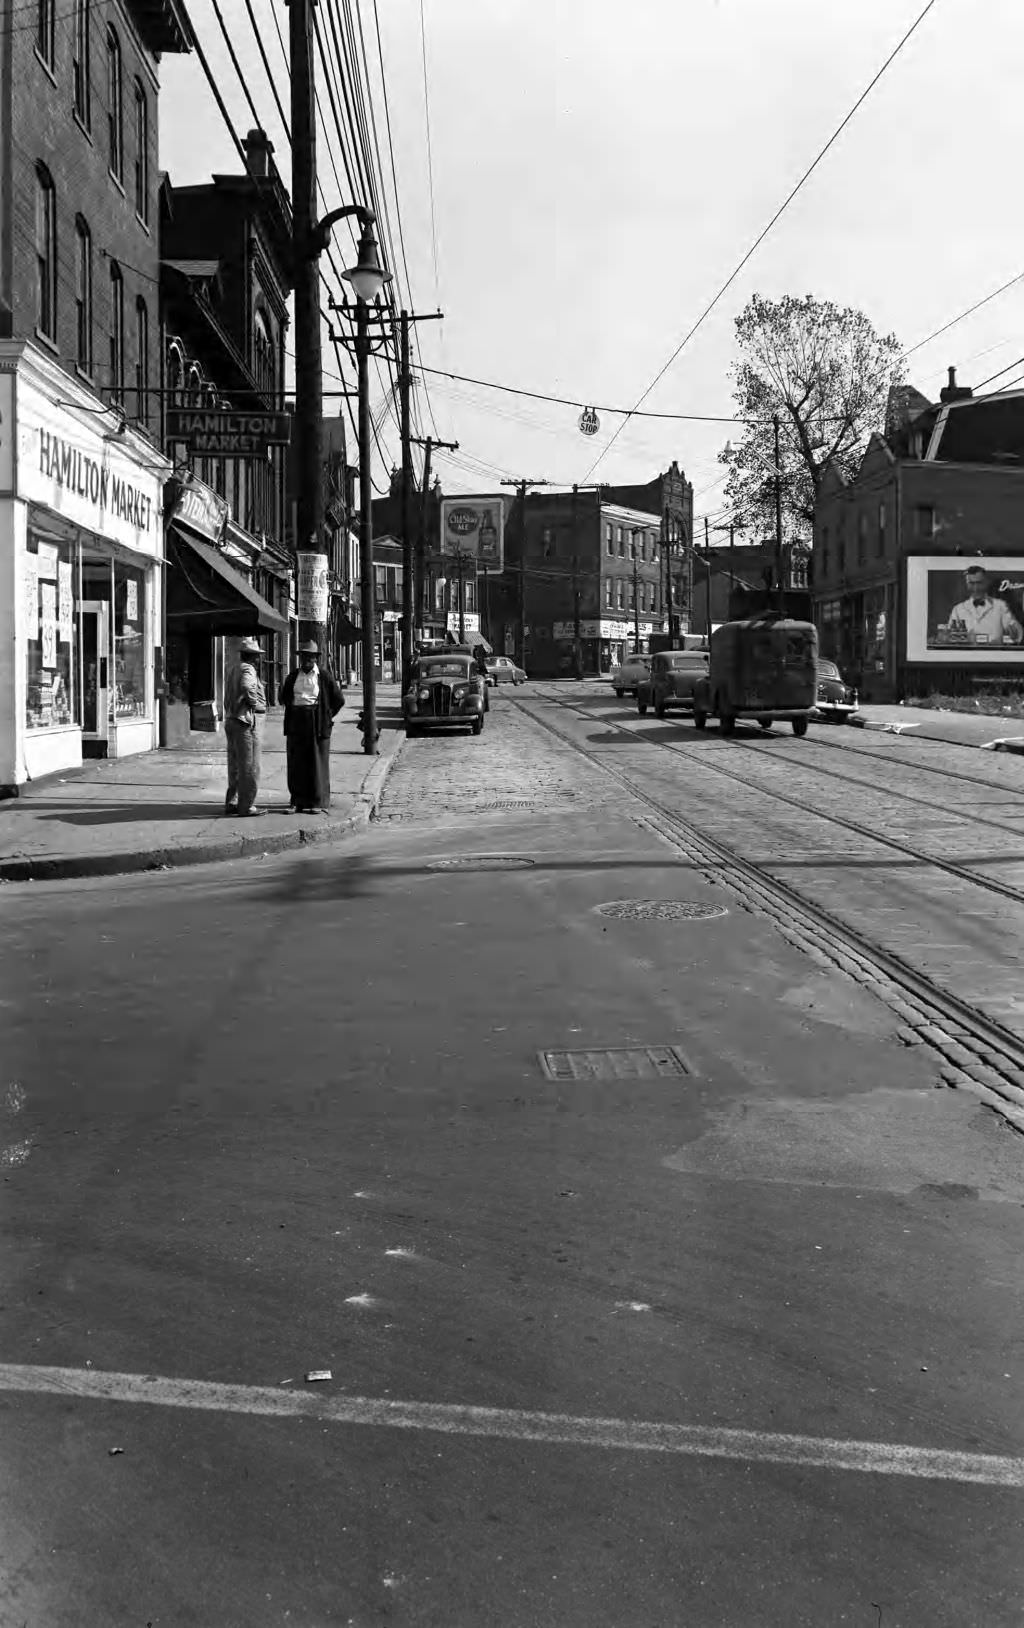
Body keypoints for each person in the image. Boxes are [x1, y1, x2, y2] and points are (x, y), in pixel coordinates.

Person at [278, 640, 345, 813]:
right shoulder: (293, 676)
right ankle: (297, 801)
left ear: (316, 658)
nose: (308, 659)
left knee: (316, 761)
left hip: (318, 722)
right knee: (296, 762)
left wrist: (326, 716)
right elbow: (284, 697)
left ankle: (317, 801)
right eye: (305, 656)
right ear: (300, 658)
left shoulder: (324, 676)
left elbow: (338, 700)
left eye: (311, 657)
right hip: (297, 721)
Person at [223, 637, 268, 816]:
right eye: (256, 656)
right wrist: (253, 701)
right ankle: (246, 805)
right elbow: (247, 686)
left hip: (232, 719)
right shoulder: (249, 669)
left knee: (234, 764)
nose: (258, 659)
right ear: (253, 657)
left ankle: (232, 801)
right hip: (246, 721)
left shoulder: (234, 668)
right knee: (250, 766)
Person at [947, 566, 1024, 645]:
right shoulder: (958, 609)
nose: (976, 588)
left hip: (995, 655)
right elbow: (950, 638)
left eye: (979, 583)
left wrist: (1014, 631)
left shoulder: (1000, 605)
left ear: (985, 583)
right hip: (968, 656)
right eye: (972, 583)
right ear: (967, 584)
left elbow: (1015, 631)